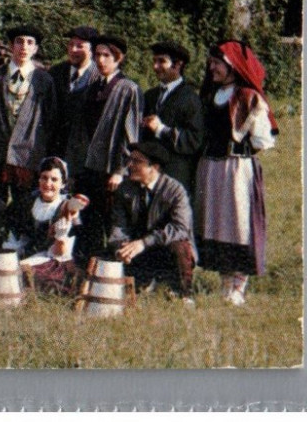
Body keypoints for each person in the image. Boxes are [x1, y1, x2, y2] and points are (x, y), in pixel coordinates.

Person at [193, 40, 277, 306]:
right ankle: (225, 283)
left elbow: (263, 139)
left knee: (238, 224)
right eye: (211, 63)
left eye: (217, 63)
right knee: (216, 222)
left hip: (237, 169)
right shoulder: (209, 96)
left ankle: (238, 286)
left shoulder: (248, 97)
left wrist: (239, 150)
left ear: (232, 66)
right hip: (210, 168)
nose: (212, 68)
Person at [65, 34, 142, 261]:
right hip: (86, 167)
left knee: (110, 221)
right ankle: (83, 268)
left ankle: (106, 272)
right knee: (85, 221)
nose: (100, 60)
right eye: (97, 55)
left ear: (118, 58)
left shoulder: (128, 88)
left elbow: (131, 136)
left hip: (110, 169)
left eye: (106, 55)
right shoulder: (91, 86)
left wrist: (121, 170)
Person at [0, 24, 58, 211]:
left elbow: (50, 120)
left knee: (24, 203)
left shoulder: (44, 80)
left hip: (28, 153)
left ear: (35, 49)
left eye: (29, 43)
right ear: (11, 46)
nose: (24, 47)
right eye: (19, 42)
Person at [106, 140, 196, 301]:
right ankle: (144, 285)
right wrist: (120, 247)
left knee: (180, 246)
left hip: (164, 248)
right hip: (136, 251)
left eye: (137, 161)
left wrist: (144, 242)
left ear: (154, 167)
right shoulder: (124, 189)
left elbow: (180, 228)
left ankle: (183, 294)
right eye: (129, 160)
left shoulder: (175, 190)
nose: (130, 165)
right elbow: (118, 225)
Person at [5, 157, 87, 295]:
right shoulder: (28, 203)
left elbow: (61, 253)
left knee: (28, 276)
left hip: (55, 262)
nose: (48, 183)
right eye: (44, 178)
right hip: (30, 256)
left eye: (54, 180)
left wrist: (60, 237)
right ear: (39, 180)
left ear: (63, 183)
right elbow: (17, 236)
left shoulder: (68, 208)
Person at [140, 40, 205, 200]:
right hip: (148, 176)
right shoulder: (150, 95)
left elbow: (194, 141)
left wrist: (161, 130)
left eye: (161, 61)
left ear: (177, 65)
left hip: (175, 176)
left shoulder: (191, 99)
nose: (155, 67)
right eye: (154, 61)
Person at [48, 24, 99, 174]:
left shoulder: (100, 78)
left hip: (84, 157)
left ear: (92, 50)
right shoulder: (56, 73)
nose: (73, 50)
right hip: (55, 152)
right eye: (70, 45)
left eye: (79, 46)